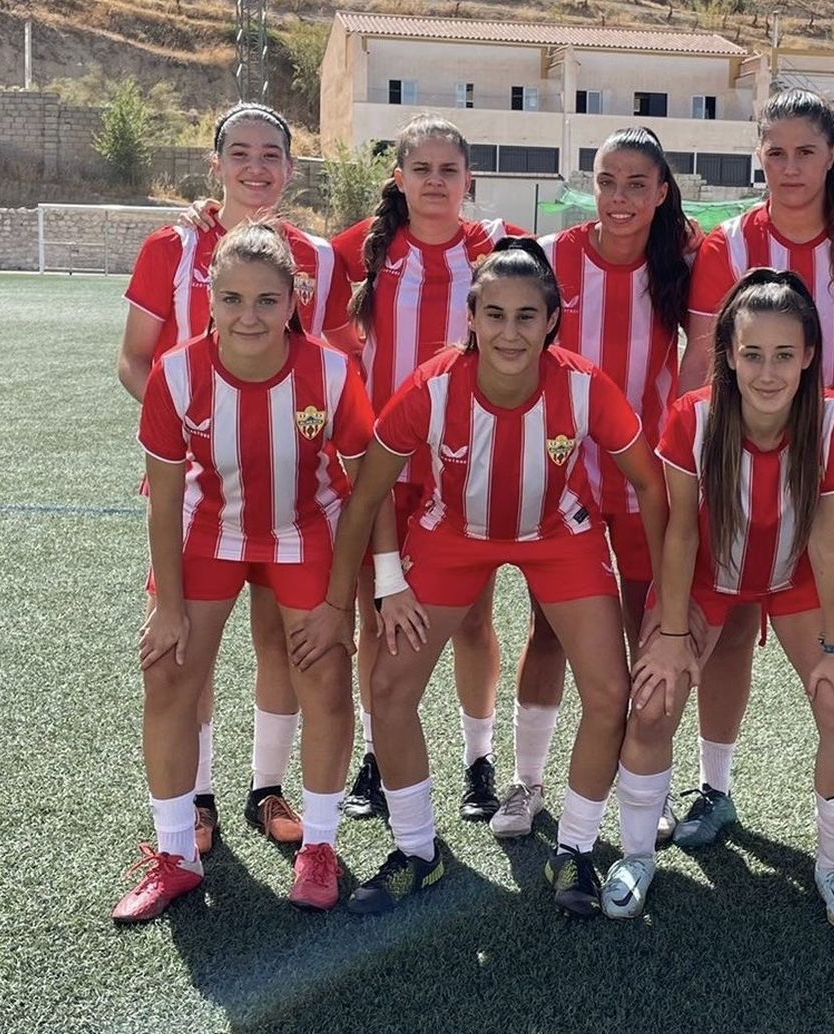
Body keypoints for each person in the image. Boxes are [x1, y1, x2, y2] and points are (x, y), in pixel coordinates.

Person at [291, 238, 667, 918]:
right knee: (390, 684)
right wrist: (369, 589)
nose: (509, 331)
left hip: (559, 535)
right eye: (494, 314)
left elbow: (651, 483)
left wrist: (666, 610)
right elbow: (366, 493)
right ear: (472, 317)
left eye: (527, 315)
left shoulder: (583, 383)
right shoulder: (433, 387)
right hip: (451, 536)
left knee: (611, 689)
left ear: (552, 320)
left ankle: (575, 849)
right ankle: (417, 850)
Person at [673, 89, 834, 849]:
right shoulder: (729, 245)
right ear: (758, 154)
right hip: (733, 473)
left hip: (833, 477)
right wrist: (689, 454)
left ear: (832, 157)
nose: (790, 167)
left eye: (806, 151)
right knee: (725, 635)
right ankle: (713, 788)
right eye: (776, 151)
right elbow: (701, 358)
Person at [113, 223, 377, 922]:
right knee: (168, 669)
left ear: (294, 300)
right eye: (231, 298)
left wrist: (341, 602)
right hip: (211, 530)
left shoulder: (331, 372)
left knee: (322, 672)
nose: (248, 315)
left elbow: (363, 489)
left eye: (266, 299)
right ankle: (176, 855)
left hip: (304, 530)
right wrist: (168, 607)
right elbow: (165, 502)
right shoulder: (176, 373)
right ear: (208, 299)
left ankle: (318, 845)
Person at [610, 270, 834, 929]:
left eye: (785, 355)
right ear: (727, 352)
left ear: (809, 355)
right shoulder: (693, 417)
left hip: (794, 580)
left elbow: (829, 540)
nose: (767, 372)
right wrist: (671, 635)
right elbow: (678, 532)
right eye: (752, 354)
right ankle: (637, 854)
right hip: (703, 577)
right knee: (654, 700)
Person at [117, 102, 345, 856]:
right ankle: (200, 800)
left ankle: (264, 789)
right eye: (240, 152)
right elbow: (134, 358)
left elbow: (332, 361)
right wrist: (190, 427)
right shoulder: (171, 245)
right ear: (215, 164)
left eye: (271, 154)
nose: (256, 166)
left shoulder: (315, 255)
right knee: (188, 645)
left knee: (282, 644)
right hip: (196, 487)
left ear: (289, 166)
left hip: (291, 494)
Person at [493, 127, 694, 843]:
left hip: (650, 483)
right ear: (592, 185)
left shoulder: (685, 261)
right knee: (548, 629)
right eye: (609, 181)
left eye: (638, 183)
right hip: (567, 479)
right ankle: (527, 784)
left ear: (661, 192)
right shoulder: (551, 258)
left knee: (649, 633)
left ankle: (648, 786)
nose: (621, 197)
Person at [328, 114, 526, 825]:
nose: (437, 182)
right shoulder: (360, 250)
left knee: (471, 620)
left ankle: (479, 760)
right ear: (400, 179)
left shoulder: (498, 245)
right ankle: (381, 757)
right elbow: (291, 279)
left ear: (469, 180)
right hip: (381, 473)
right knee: (377, 618)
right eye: (423, 169)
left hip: (464, 466)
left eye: (450, 170)